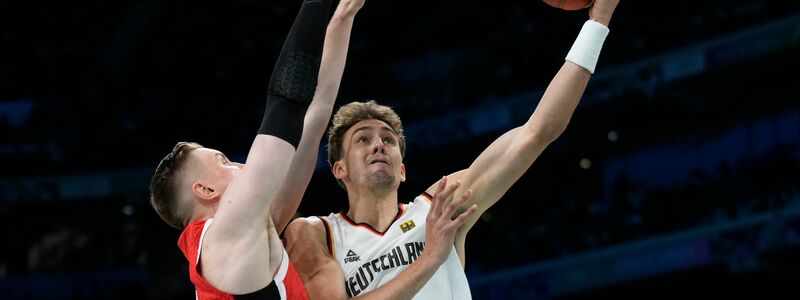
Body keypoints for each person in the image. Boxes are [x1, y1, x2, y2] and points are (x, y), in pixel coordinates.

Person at [284, 0, 621, 298]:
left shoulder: (439, 207)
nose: (378, 146)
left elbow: (538, 131)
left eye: (388, 139)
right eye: (363, 139)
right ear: (339, 169)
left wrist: (598, 23)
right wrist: (430, 258)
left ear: (402, 169)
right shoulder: (317, 233)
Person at [147, 0, 364, 298]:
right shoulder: (224, 238)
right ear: (205, 190)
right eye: (222, 161)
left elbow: (313, 117)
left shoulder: (252, 231)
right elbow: (286, 103)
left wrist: (342, 17)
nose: (237, 164)